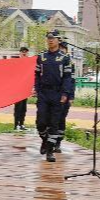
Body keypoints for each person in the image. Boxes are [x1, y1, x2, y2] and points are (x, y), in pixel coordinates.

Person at [34, 30, 74, 162]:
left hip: (57, 94)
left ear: (58, 40)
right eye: (48, 38)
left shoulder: (65, 58)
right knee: (41, 122)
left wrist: (66, 93)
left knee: (54, 123)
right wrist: (37, 89)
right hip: (44, 94)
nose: (50, 40)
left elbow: (68, 78)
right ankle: (45, 141)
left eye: (53, 38)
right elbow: (37, 75)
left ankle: (50, 151)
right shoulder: (41, 57)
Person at [54, 41, 75, 154]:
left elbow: (72, 81)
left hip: (65, 96)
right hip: (53, 95)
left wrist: (71, 96)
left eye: (64, 49)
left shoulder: (70, 63)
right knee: (52, 119)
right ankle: (50, 142)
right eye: (60, 48)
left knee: (61, 119)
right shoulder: (53, 60)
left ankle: (58, 142)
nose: (62, 50)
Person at [13, 47, 30, 130]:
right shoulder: (16, 62)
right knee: (18, 107)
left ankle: (22, 123)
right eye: (23, 52)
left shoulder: (29, 63)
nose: (24, 53)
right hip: (17, 89)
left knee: (24, 107)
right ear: (20, 53)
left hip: (25, 88)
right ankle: (16, 124)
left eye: (25, 52)